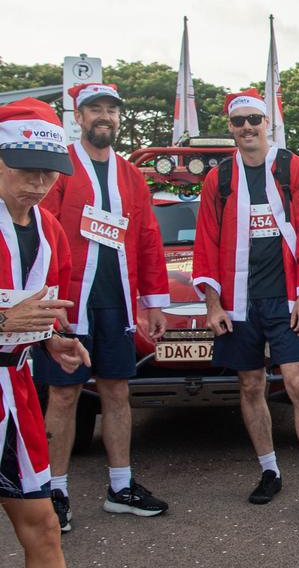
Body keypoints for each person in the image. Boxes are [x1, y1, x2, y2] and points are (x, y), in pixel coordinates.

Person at [191, 89, 299, 521]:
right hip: (239, 304)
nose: (248, 128)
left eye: (254, 119)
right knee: (251, 385)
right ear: (231, 129)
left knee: (297, 383)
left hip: (285, 299)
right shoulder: (219, 179)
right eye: (239, 122)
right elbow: (207, 244)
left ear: (266, 123)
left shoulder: (293, 169)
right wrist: (213, 303)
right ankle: (270, 471)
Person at [36, 83, 171, 532]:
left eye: (112, 110)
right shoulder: (61, 168)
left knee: (117, 391)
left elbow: (149, 237)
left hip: (117, 302)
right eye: (96, 109)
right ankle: (55, 492)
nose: (105, 117)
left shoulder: (131, 175)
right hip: (69, 301)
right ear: (78, 116)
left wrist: (153, 302)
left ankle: (120, 486)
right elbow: (41, 233)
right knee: (64, 394)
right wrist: (44, 299)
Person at [0, 98, 92, 567]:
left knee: (44, 527)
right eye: (26, 170)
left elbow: (41, 310)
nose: (38, 183)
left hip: (14, 393)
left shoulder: (50, 229)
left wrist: (51, 340)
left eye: (49, 173)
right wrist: (4, 323)